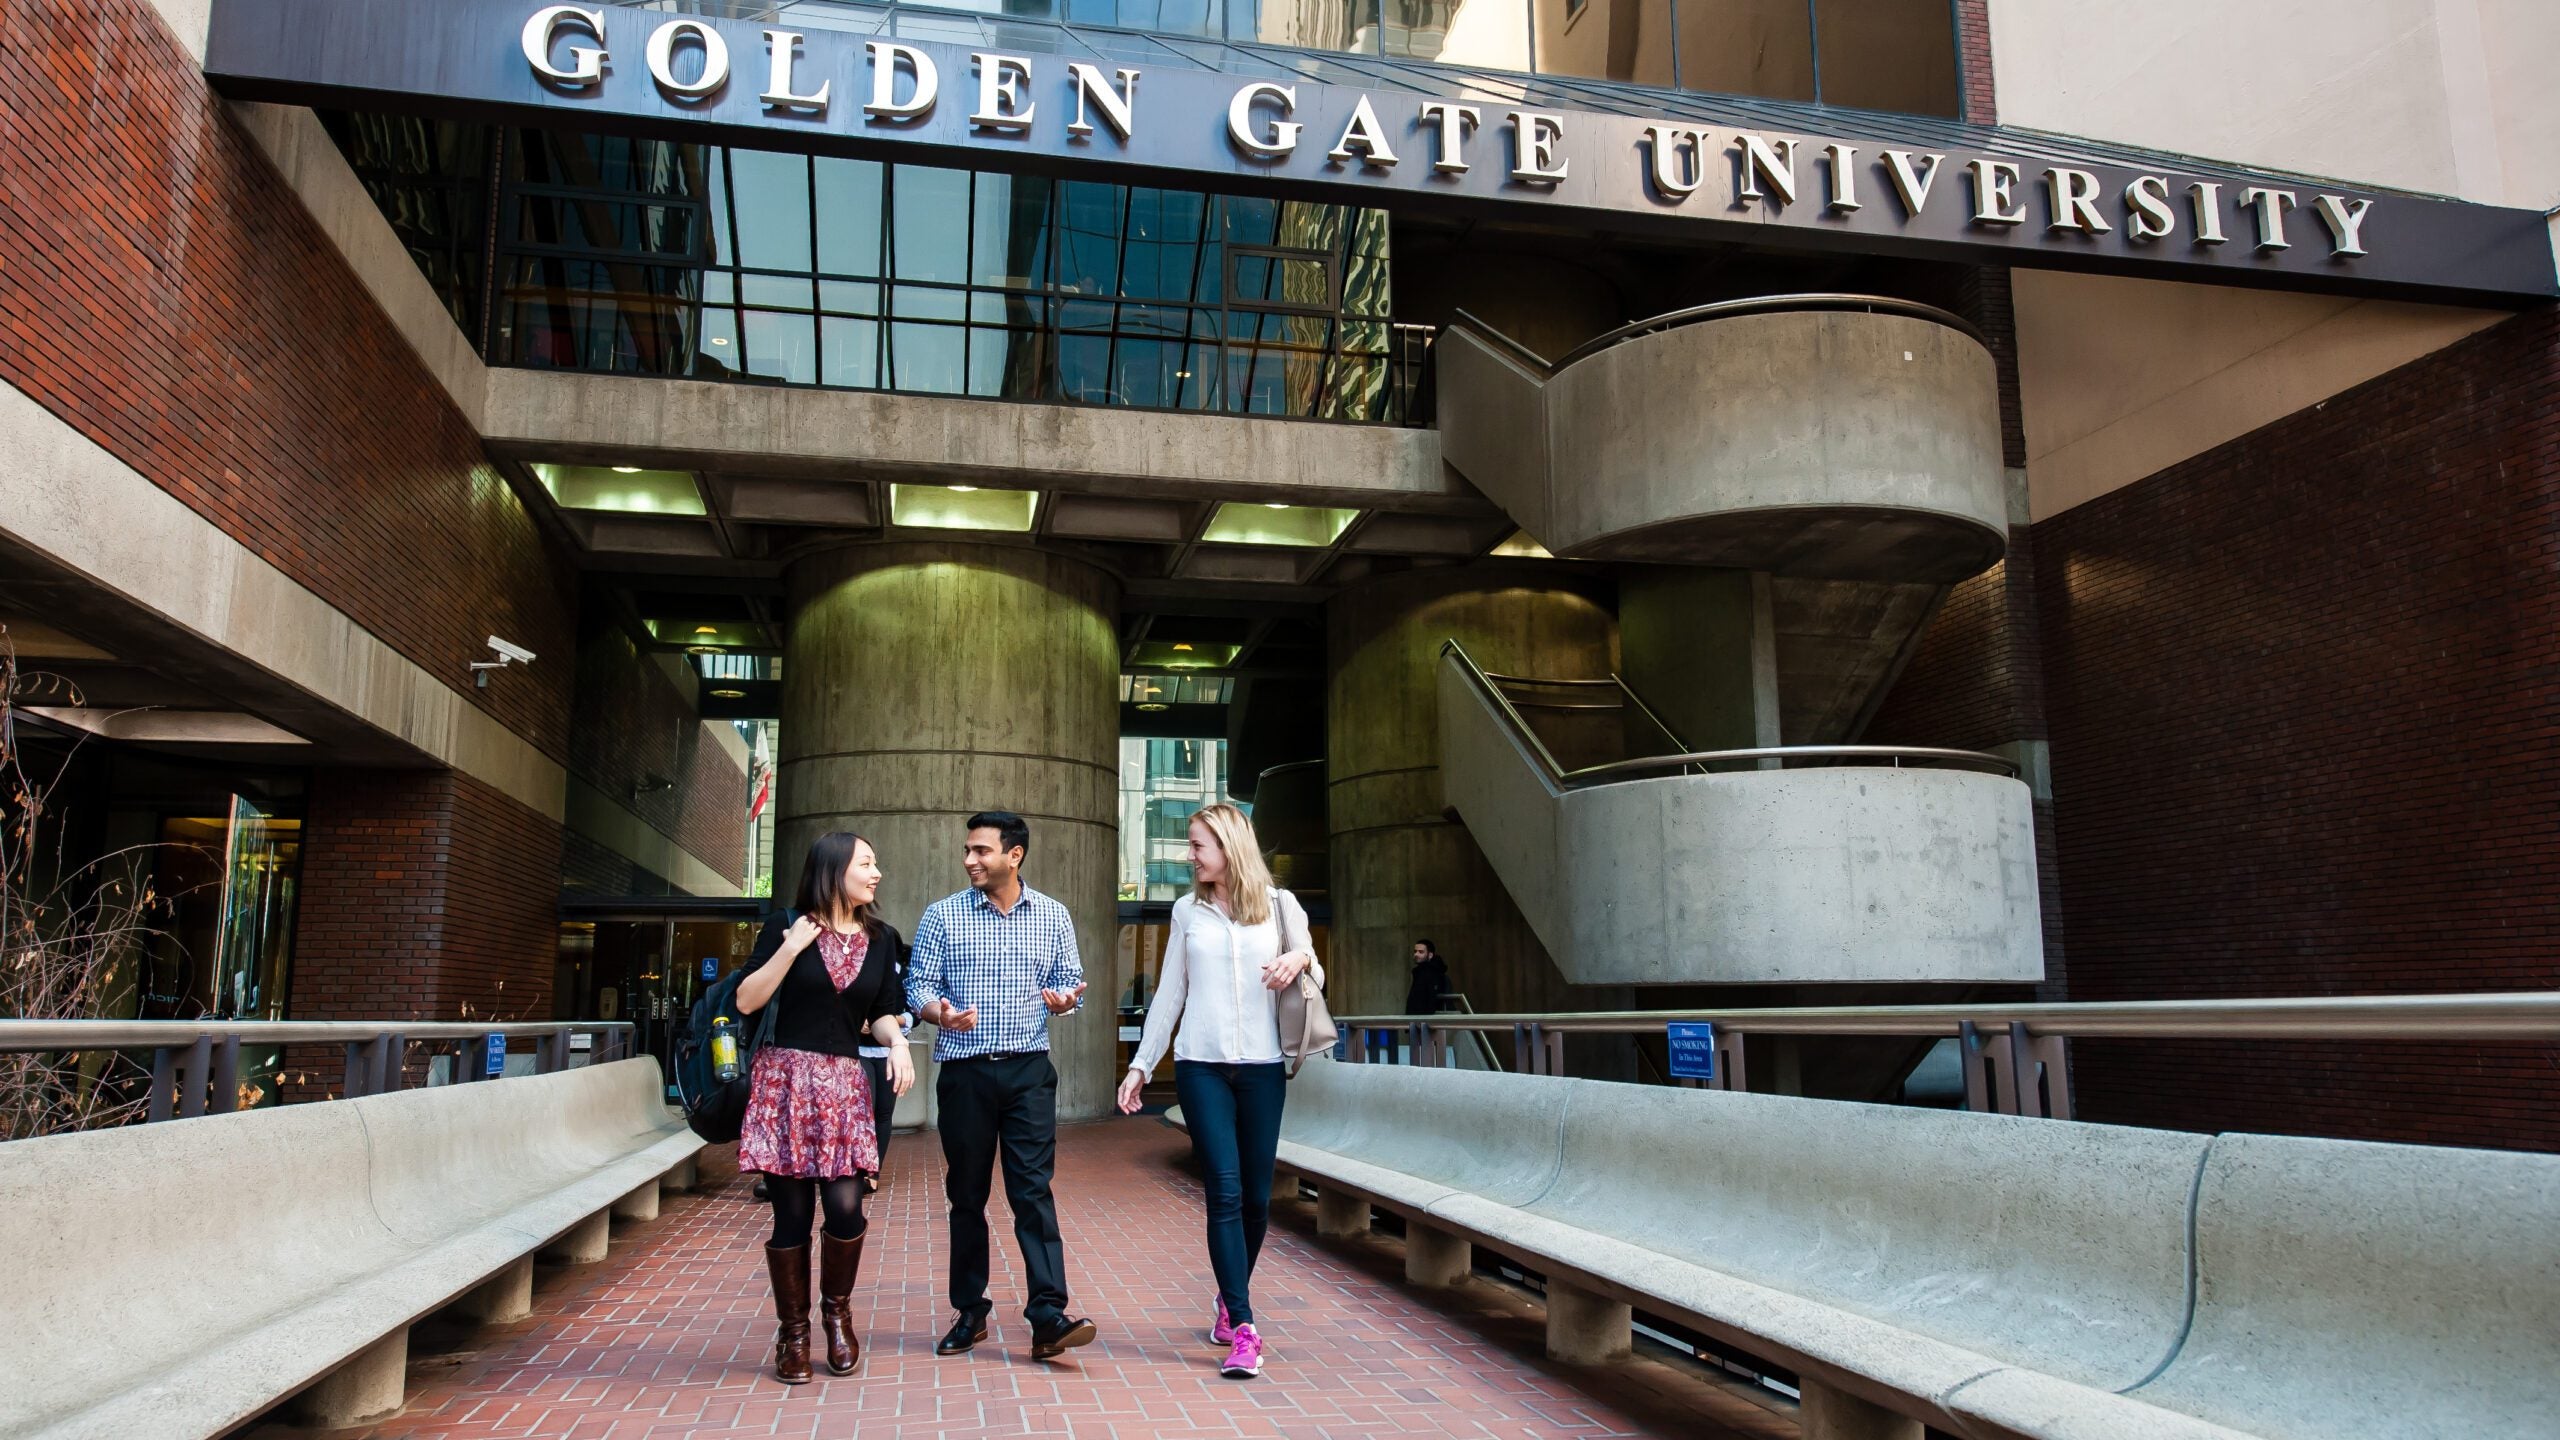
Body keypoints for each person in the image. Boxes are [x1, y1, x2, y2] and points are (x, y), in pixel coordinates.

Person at [1116, 803, 1319, 1380]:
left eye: (1198, 844)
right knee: (1224, 1191)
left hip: (1261, 1067)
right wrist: (1140, 1066)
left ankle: (1228, 1300)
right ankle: (1247, 1326)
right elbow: (1170, 994)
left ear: (1229, 847)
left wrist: (1298, 958)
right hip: (1201, 1065)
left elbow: (1315, 972)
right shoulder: (1188, 911)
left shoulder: (1281, 907)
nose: (1189, 854)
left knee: (1257, 1198)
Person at [906, 810, 1100, 1361]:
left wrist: (1067, 1001)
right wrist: (937, 1013)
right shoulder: (943, 916)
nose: (969, 860)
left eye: (981, 851)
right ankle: (970, 1312)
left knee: (1031, 1192)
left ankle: (1048, 1317)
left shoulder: (1053, 916)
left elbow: (1069, 983)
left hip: (1028, 1073)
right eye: (967, 850)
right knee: (966, 1195)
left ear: (1014, 855)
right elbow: (915, 985)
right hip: (965, 1073)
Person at [734, 832, 914, 1384]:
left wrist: (899, 1043)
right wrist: (791, 947)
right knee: (790, 1216)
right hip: (785, 1083)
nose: (876, 871)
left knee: (845, 1209)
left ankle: (836, 1313)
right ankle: (794, 1334)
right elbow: (746, 999)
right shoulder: (785, 924)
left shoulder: (882, 939)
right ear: (834, 870)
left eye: (875, 862)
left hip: (842, 1088)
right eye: (866, 862)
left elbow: (884, 1010)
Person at [855, 954, 911, 1195]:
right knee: (864, 1109)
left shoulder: (902, 973)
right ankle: (857, 1167)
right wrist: (856, 1020)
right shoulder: (857, 965)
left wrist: (890, 1021)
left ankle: (873, 1171)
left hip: (891, 1050)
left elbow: (913, 1014)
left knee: (883, 1112)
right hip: (858, 1049)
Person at [1404, 938, 1450, 1020]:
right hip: (1418, 1021)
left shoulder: (1432, 972)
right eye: (1415, 951)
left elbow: (1431, 1000)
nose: (1416, 954)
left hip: (1425, 1023)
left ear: (1430, 955)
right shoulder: (1419, 972)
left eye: (1421, 952)